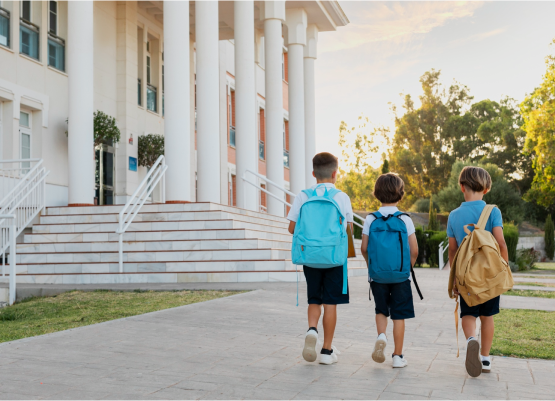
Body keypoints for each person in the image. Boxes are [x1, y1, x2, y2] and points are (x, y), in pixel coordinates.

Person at [287, 152, 354, 365]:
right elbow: (349, 231)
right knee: (330, 303)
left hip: (310, 257)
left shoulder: (303, 196)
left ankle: (312, 329)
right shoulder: (342, 197)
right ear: (335, 173)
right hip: (334, 258)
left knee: (314, 298)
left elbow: (291, 228)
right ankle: (326, 350)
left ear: (314, 173)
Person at [447, 166, 508, 377]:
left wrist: (455, 280)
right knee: (487, 316)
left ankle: (471, 339)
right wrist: (504, 269)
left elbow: (453, 251)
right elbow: (501, 243)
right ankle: (485, 358)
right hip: (490, 276)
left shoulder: (454, 215)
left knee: (469, 313)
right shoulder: (493, 211)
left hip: (466, 277)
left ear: (462, 187)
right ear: (487, 188)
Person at [360, 173, 419, 369]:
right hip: (401, 276)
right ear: (400, 194)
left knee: (381, 310)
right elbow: (414, 250)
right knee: (399, 316)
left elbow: (364, 248)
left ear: (376, 194)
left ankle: (381, 335)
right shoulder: (405, 219)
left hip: (378, 275)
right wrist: (406, 268)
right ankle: (398, 356)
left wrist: (372, 267)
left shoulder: (370, 218)